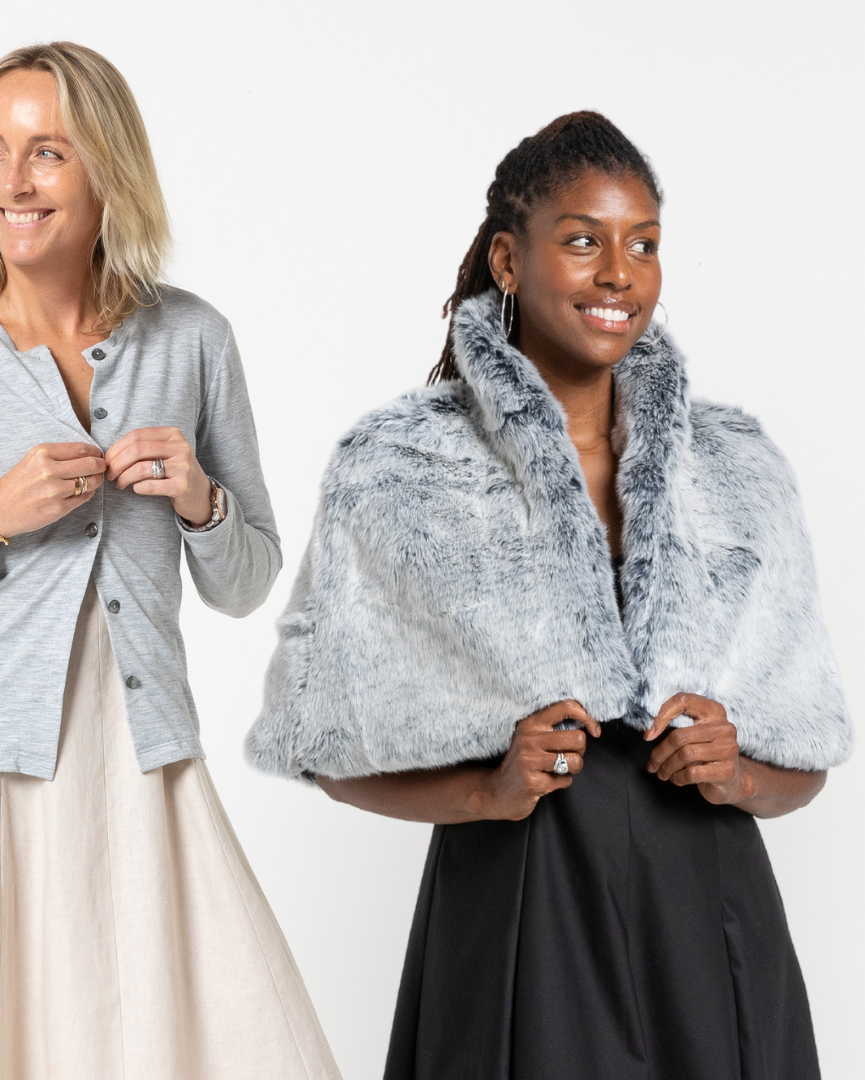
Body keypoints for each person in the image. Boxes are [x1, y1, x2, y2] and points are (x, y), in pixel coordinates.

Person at [246, 111, 851, 1079]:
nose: (619, 274)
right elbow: (321, 747)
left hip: (710, 912)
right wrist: (489, 789)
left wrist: (736, 772)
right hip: (523, 900)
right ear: (508, 259)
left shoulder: (738, 473)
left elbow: (805, 752)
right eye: (582, 240)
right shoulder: (403, 470)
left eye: (642, 244)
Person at [0, 41, 340, 1080]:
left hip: (134, 785)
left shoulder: (193, 339)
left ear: (108, 169)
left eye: (47, 151)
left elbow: (246, 582)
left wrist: (201, 500)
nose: (12, 181)